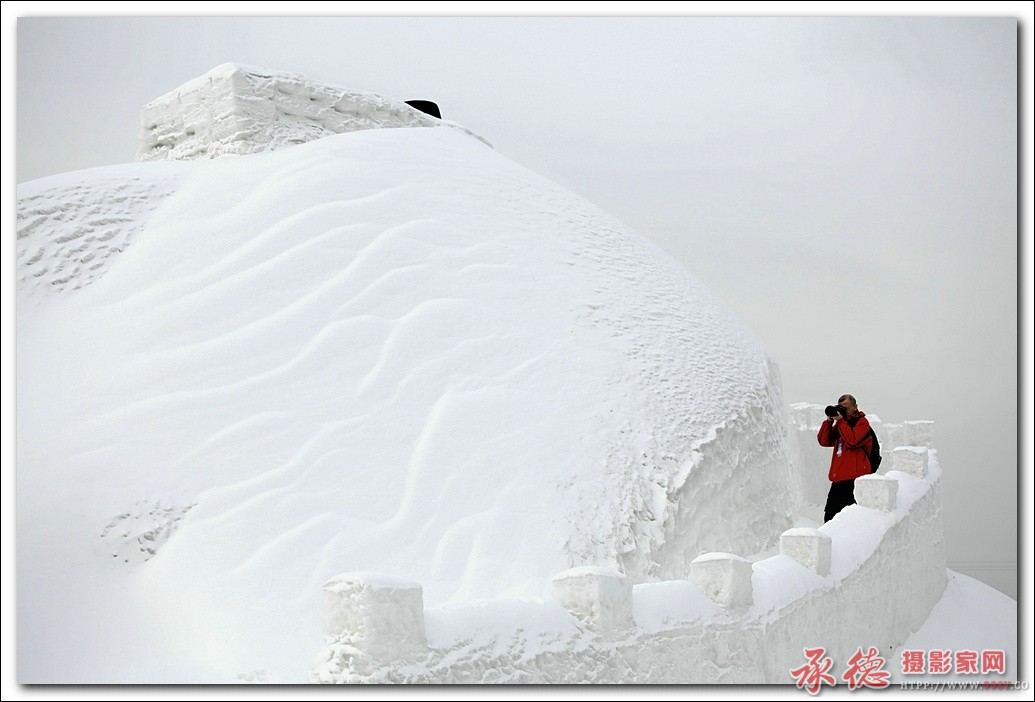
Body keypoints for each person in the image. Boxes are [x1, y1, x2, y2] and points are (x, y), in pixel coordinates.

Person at [817, 393, 874, 522]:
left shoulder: (862, 423)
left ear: (855, 407)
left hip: (855, 480)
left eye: (846, 407)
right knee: (830, 519)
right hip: (839, 480)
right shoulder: (841, 425)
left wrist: (841, 421)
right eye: (840, 407)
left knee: (853, 520)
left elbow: (853, 441)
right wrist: (829, 421)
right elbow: (824, 441)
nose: (843, 410)